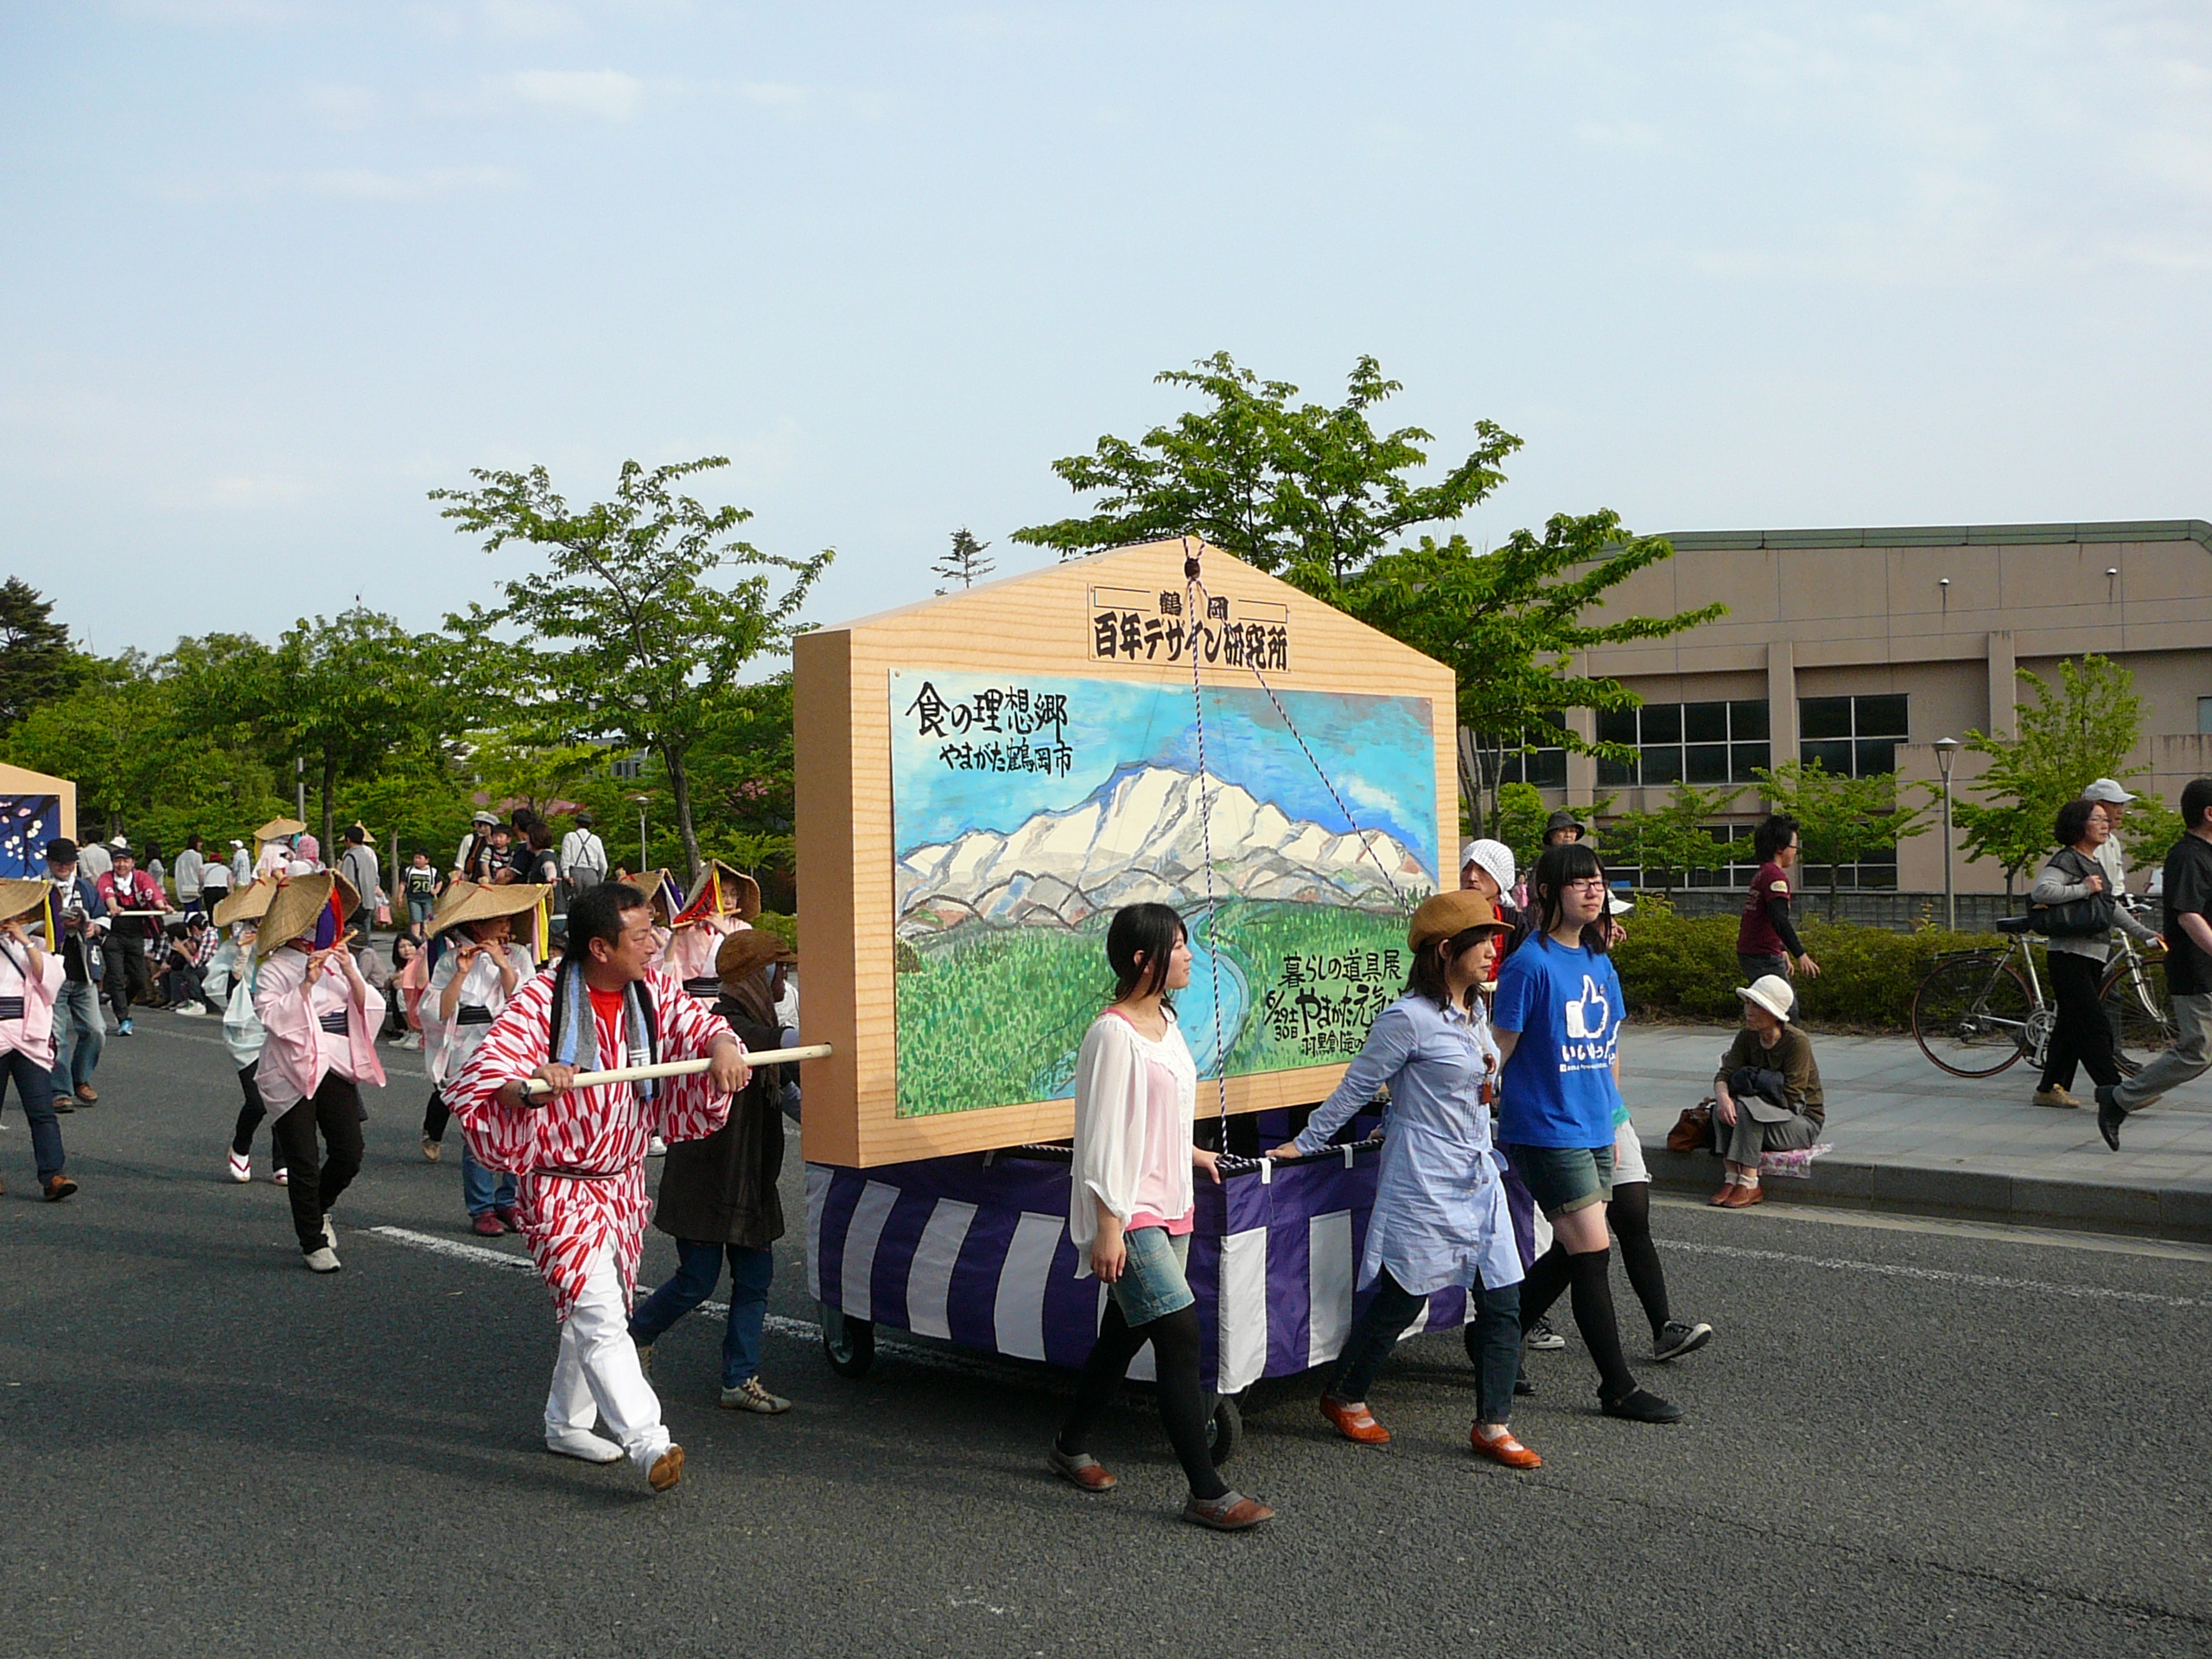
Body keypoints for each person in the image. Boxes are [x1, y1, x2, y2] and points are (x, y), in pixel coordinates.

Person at [443, 881, 750, 1492]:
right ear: (600, 948)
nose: (654, 944)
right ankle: (649, 1442)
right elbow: (488, 1072)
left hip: (622, 1181)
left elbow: (697, 1023)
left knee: (598, 1307)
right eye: (641, 935)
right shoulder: (543, 998)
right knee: (600, 1312)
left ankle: (566, 1423)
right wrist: (531, 1084)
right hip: (559, 1187)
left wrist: (722, 1046)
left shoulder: (652, 989)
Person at [1268, 890, 1535, 1466]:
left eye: (1496, 940)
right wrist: (1306, 1143)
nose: (1494, 951)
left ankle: (1493, 1424)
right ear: (1445, 950)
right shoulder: (1407, 1018)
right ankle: (1345, 1394)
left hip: (1478, 1175)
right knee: (1404, 1295)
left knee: (1503, 1298)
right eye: (1483, 942)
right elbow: (1356, 1088)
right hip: (1424, 1176)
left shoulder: (1477, 1013)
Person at [1048, 902, 1274, 1531]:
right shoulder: (1112, 1034)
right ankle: (1207, 1491)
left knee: (1123, 1333)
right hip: (1129, 1209)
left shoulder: (1167, 1024)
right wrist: (1109, 1225)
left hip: (1172, 1201)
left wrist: (1194, 1153)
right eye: (1177, 946)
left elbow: (1162, 1111)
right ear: (1143, 959)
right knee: (1179, 1333)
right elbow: (1100, 1135)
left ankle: (1069, 1445)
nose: (1189, 955)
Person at [1492, 841, 1681, 1424]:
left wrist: (1613, 1116)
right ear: (1546, 892)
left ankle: (1495, 1333)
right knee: (1593, 1252)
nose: (1594, 890)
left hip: (1598, 1123)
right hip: (1547, 1128)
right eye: (1581, 881)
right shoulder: (1529, 964)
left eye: (1599, 881)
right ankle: (1616, 1387)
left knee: (1576, 1248)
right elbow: (1498, 1052)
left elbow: (1609, 1048)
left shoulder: (1599, 961)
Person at [629, 928, 800, 1414]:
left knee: (755, 1280)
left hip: (751, 1178)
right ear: (758, 974)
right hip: (705, 1178)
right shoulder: (722, 1024)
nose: (784, 978)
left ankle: (739, 1378)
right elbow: (779, 1044)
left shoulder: (761, 1021)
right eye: (779, 968)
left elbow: (788, 1090)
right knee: (696, 1281)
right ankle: (634, 1337)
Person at [251, 873, 385, 1273]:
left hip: (336, 1060)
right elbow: (270, 1016)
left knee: (349, 1151)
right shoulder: (275, 967)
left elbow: (368, 1006)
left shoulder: (338, 959)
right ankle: (312, 1239)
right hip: (291, 1065)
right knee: (303, 1159)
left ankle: (321, 1206)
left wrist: (350, 972)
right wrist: (306, 985)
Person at [2096, 778, 2212, 1149]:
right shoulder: (2187, 856)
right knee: (2197, 1052)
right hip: (2198, 970)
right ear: (2209, 814)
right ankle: (2118, 1099)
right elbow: (2188, 915)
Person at [424, 885, 543, 1235]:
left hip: (510, 1044)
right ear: (477, 925)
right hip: (468, 1049)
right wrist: (461, 973)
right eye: (498, 920)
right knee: (478, 1127)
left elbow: (527, 1002)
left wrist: (504, 965)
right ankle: (482, 1207)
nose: (506, 926)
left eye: (507, 919)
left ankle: (510, 1200)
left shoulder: (518, 955)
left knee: (518, 1121)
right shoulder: (450, 960)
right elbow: (437, 1011)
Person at [2031, 799, 2159, 1109]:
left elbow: (2109, 907)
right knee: (2094, 1025)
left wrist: (2144, 934)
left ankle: (2048, 1090)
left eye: (2106, 819)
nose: (2106, 824)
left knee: (2070, 1027)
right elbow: (2042, 891)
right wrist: (2083, 888)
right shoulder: (2067, 859)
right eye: (2098, 819)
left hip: (2092, 955)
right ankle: (2115, 1092)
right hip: (2069, 954)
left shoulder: (2093, 862)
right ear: (2079, 825)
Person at [1708, 974, 1827, 1209]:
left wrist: (1748, 1085)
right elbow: (1725, 1075)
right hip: (1763, 1116)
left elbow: (1790, 1096)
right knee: (1724, 1109)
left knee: (1746, 1110)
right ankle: (1731, 1178)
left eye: (1757, 1006)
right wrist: (1723, 1097)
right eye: (1748, 1004)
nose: (1748, 1012)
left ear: (1774, 1013)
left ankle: (1749, 1181)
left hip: (1799, 1122)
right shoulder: (1746, 1036)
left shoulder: (1796, 1042)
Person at [0, 879, 79, 1200]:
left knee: (41, 1110)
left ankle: (53, 1175)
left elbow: (50, 982)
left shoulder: (34, 944)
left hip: (28, 1035)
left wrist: (24, 941)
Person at [206, 880, 287, 1186]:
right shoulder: (233, 947)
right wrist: (239, 962)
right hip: (247, 1031)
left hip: (281, 1028)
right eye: (257, 918)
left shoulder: (287, 946)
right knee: (257, 1100)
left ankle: (282, 1159)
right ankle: (240, 1147)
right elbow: (219, 993)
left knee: (285, 1098)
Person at [42, 838, 108, 1107]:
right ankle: (60, 1090)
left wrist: (94, 928)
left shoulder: (85, 888)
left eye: (70, 862)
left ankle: (81, 1078)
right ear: (49, 862)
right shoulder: (38, 888)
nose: (65, 867)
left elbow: (103, 918)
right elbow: (24, 926)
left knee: (96, 1030)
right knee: (56, 1035)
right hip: (50, 971)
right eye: (60, 863)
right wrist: (56, 927)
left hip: (83, 969)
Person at [1736, 814, 1820, 1022]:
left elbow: (1763, 918)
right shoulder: (1775, 876)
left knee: (1767, 1011)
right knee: (1786, 1012)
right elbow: (1779, 919)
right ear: (1781, 848)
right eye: (1794, 847)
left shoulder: (1763, 873)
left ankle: (1760, 1042)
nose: (1795, 852)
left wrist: (1781, 948)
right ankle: (1779, 1044)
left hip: (1756, 952)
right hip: (1762, 955)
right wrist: (1800, 954)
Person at [662, 861, 760, 1000]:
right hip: (694, 1002)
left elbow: (751, 963)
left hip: (729, 1001)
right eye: (722, 895)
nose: (729, 901)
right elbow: (668, 970)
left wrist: (726, 931)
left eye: (733, 894)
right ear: (708, 897)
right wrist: (675, 936)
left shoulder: (742, 928)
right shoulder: (690, 930)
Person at [96, 844, 166, 1031]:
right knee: (116, 976)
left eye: (125, 861)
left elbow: (152, 894)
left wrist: (162, 906)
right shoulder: (106, 878)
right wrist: (113, 906)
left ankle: (120, 1003)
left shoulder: (141, 877)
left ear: (133, 863)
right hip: (113, 933)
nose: (121, 865)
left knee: (139, 978)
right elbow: (107, 893)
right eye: (117, 861)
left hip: (135, 933)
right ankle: (123, 1018)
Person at [339, 824, 379, 938]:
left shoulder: (350, 857)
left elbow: (347, 882)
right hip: (369, 902)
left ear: (348, 840)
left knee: (352, 937)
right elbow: (376, 878)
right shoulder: (369, 857)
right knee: (365, 936)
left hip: (355, 904)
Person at [560, 811, 608, 907]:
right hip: (591, 874)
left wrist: (566, 876)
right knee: (591, 905)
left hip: (575, 873)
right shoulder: (596, 839)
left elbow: (565, 858)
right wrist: (600, 880)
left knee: (575, 904)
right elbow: (604, 865)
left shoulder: (570, 837)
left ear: (576, 824)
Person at [454, 810, 499, 884]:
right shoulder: (471, 839)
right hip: (473, 879)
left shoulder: (499, 842)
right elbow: (460, 861)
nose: (482, 827)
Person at [403, 851, 441, 935]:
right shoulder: (409, 870)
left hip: (428, 899)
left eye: (420, 858)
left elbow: (439, 882)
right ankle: (416, 938)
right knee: (415, 919)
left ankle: (425, 938)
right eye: (416, 858)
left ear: (426, 860)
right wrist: (399, 896)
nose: (417, 860)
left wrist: (435, 891)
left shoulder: (432, 871)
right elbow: (403, 883)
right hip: (413, 898)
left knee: (427, 920)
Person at [174, 835, 207, 919]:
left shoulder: (181, 857)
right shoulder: (197, 856)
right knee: (196, 914)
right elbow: (200, 872)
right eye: (199, 842)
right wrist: (202, 885)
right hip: (195, 888)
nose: (201, 844)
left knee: (188, 912)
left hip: (183, 888)